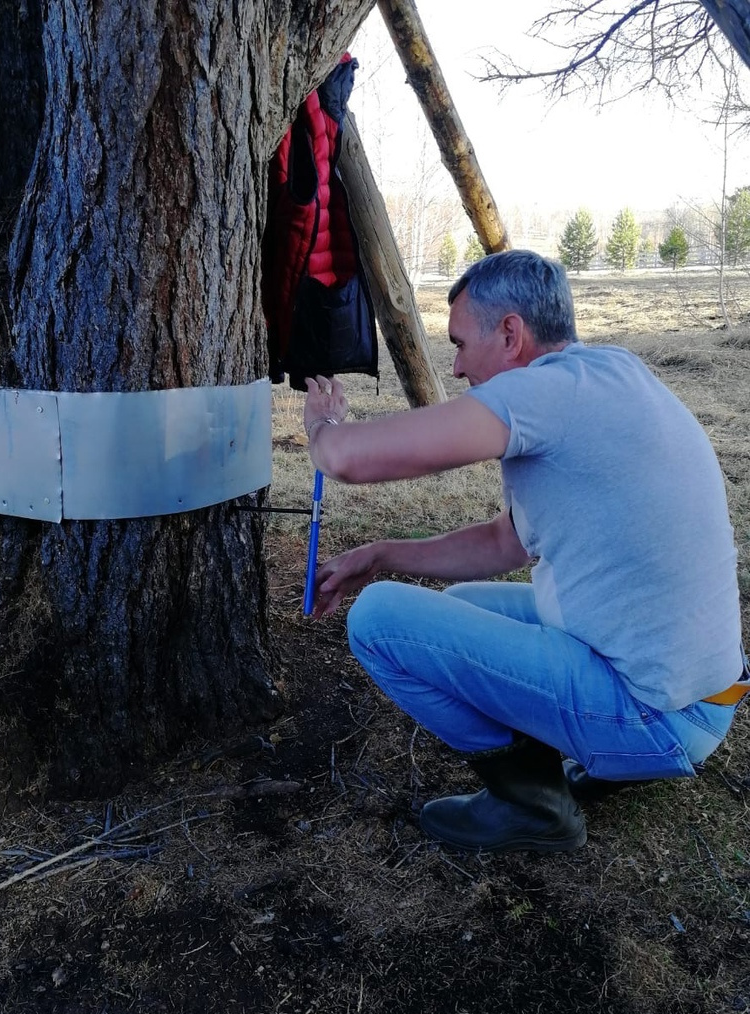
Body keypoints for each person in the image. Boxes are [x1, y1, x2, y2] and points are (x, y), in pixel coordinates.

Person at [301, 250, 747, 854]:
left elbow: (349, 459)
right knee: (457, 608)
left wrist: (326, 428)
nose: (455, 367)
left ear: (511, 333)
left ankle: (533, 805)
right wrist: (380, 555)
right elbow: (504, 541)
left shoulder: (540, 395)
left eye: (459, 343)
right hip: (704, 698)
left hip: (661, 719)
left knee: (378, 619)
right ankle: (588, 753)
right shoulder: (611, 372)